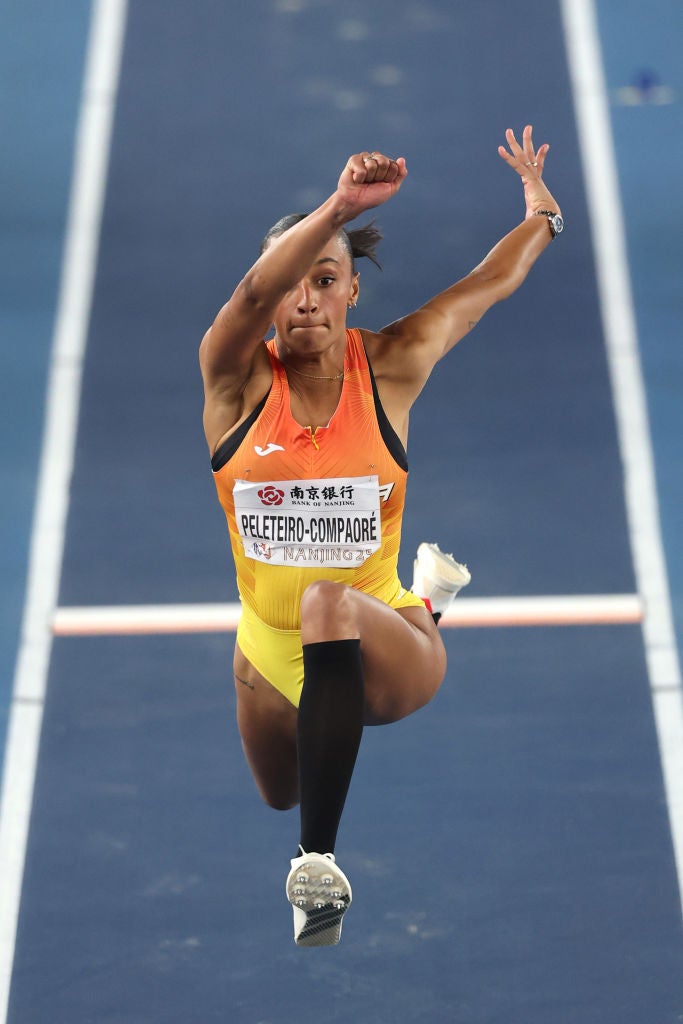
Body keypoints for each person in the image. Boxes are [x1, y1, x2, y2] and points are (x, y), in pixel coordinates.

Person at [199, 126, 562, 946]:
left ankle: (317, 868)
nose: (304, 300)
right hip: (266, 648)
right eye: (290, 282)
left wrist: (542, 214)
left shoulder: (392, 367)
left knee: (328, 604)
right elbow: (248, 296)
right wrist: (337, 208)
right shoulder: (233, 380)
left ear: (351, 290)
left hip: (382, 641)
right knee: (279, 791)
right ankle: (430, 601)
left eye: (324, 281)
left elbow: (487, 284)